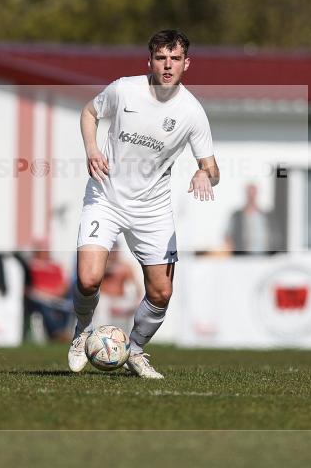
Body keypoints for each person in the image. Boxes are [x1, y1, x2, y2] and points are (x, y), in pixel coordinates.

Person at [68, 29, 220, 379]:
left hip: (152, 209)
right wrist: (92, 149)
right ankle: (81, 335)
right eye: (162, 58)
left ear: (186, 63)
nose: (168, 65)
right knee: (89, 279)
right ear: (149, 60)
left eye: (175, 59)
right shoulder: (123, 89)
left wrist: (203, 174)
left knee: (162, 292)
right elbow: (89, 113)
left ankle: (134, 350)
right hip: (105, 196)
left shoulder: (192, 113)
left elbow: (212, 169)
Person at [25, 244, 72, 342]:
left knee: (70, 304)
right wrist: (45, 293)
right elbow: (29, 286)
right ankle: (56, 333)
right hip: (39, 296)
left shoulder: (56, 265)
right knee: (44, 306)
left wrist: (58, 292)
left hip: (57, 297)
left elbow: (65, 284)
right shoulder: (30, 266)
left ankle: (62, 331)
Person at [225, 183, 271, 255]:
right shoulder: (237, 215)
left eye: (253, 193)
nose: (251, 196)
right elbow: (227, 235)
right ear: (246, 194)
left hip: (263, 255)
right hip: (243, 256)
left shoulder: (265, 215)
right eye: (249, 193)